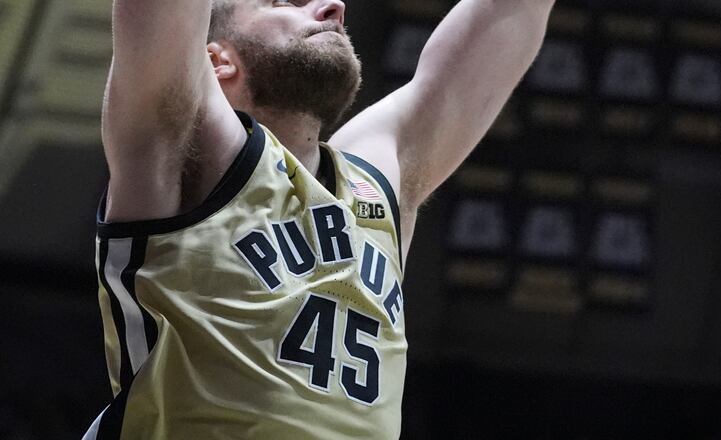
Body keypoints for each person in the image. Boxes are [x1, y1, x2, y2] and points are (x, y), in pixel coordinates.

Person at [83, 0, 555, 438]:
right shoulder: (185, 140)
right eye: (285, 1)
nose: (334, 7)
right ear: (216, 60)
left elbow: (508, 13)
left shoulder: (376, 179)